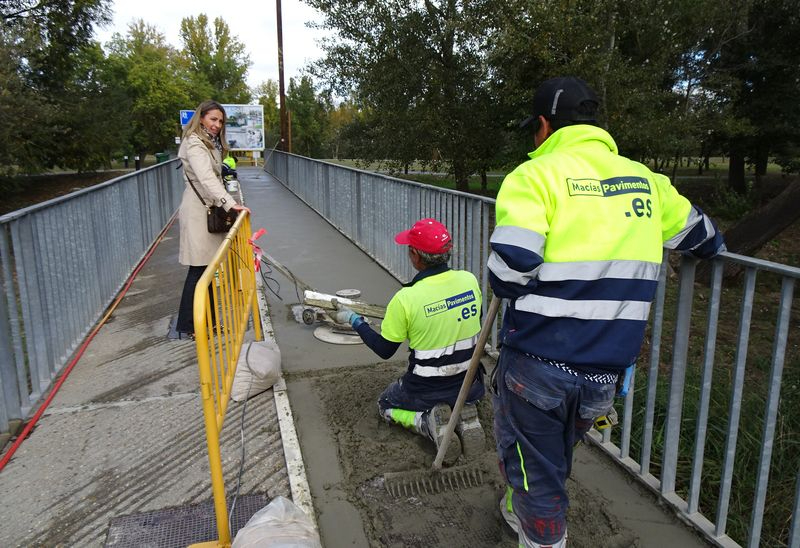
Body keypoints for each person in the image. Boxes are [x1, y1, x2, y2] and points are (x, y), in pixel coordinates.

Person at [488, 76, 725, 547]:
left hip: (538, 365)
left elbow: (509, 272)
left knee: (534, 467)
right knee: (553, 455)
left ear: (543, 126)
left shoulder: (535, 176)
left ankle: (542, 535)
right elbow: (708, 240)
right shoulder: (646, 182)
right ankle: (526, 507)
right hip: (605, 375)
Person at [334, 218, 486, 464]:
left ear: (415, 256)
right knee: (462, 392)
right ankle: (466, 414)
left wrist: (355, 321)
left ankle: (427, 422)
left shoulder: (406, 298)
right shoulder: (469, 281)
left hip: (425, 391)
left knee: (385, 404)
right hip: (470, 384)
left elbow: (385, 349)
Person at [175, 100, 247, 339]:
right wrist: (230, 203)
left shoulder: (209, 143)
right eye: (213, 119)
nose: (217, 125)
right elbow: (206, 179)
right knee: (199, 271)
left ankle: (208, 323)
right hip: (199, 213)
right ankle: (193, 325)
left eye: (220, 121)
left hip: (207, 210)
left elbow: (213, 177)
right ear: (201, 118)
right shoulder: (195, 143)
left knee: (208, 271)